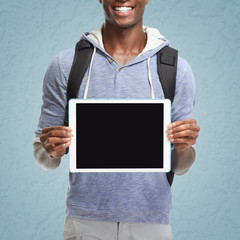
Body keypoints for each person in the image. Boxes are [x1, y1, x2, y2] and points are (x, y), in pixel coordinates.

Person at [33, 0, 200, 239]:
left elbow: (181, 166)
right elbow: (43, 157)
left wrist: (184, 146)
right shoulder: (66, 65)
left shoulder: (175, 69)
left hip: (151, 222)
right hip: (85, 221)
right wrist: (51, 150)